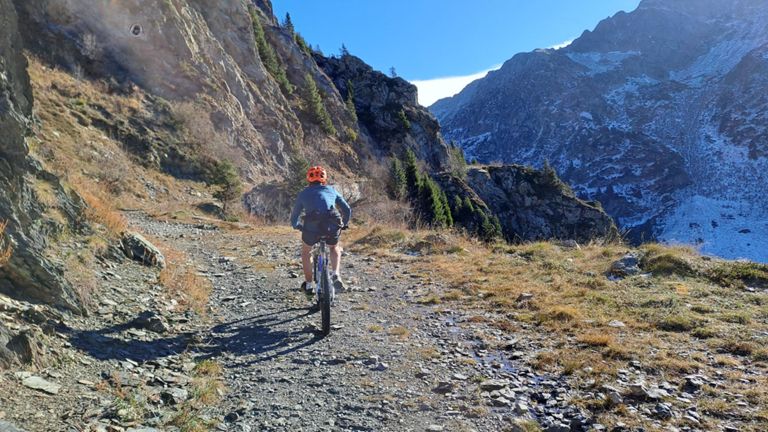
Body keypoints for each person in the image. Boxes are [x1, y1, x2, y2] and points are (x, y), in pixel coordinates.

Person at [290, 166, 351, 296]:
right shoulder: (331, 190)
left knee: (306, 252)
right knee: (334, 247)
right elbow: (347, 209)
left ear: (309, 179)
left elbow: (294, 215)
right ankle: (336, 274)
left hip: (311, 227)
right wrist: (344, 224)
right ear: (324, 179)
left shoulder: (304, 193)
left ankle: (308, 284)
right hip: (331, 224)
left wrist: (296, 225)